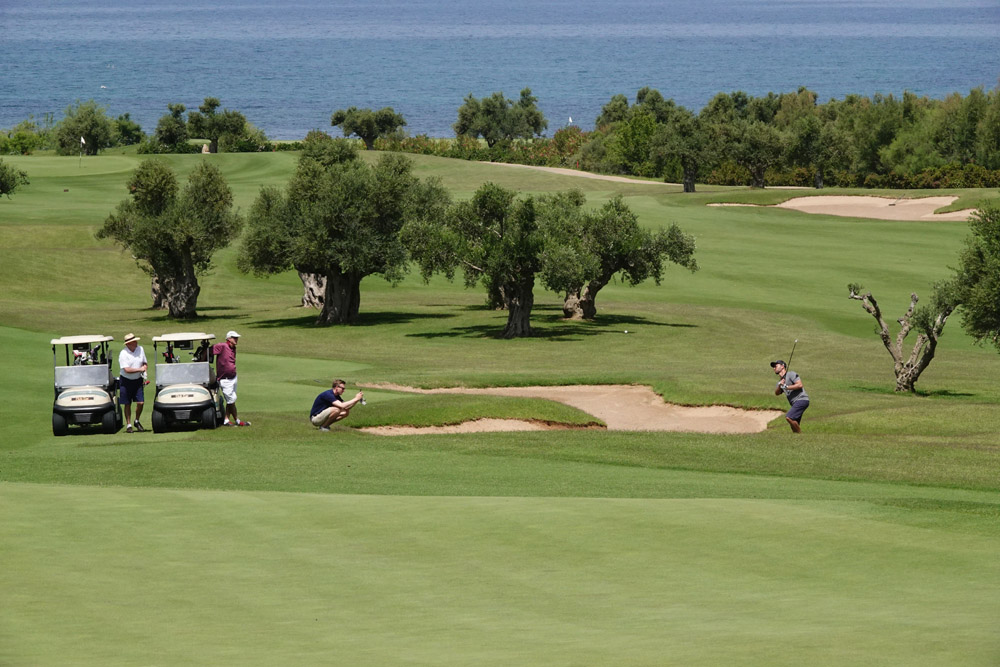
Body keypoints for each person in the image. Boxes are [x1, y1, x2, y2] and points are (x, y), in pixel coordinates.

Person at [212, 330, 250, 427]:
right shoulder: (222, 346)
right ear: (229, 338)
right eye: (234, 338)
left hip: (233, 377)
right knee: (231, 400)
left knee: (231, 400)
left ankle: (226, 420)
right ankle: (237, 420)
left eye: (237, 338)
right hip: (224, 379)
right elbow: (210, 350)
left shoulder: (234, 348)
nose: (236, 339)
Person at [118, 333, 148, 433]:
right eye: (134, 341)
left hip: (138, 380)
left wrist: (145, 369)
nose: (136, 342)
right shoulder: (123, 354)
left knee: (140, 402)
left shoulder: (140, 349)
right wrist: (140, 369)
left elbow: (144, 362)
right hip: (126, 380)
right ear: (128, 344)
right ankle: (129, 425)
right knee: (127, 403)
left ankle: (136, 420)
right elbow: (127, 369)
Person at [771, 359, 809, 433]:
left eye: (775, 366)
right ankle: (798, 438)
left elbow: (800, 385)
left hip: (802, 399)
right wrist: (780, 385)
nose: (774, 368)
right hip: (795, 403)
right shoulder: (780, 382)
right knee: (794, 425)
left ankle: (801, 436)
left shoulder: (791, 374)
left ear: (782, 366)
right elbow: (777, 393)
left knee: (789, 417)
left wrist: (786, 387)